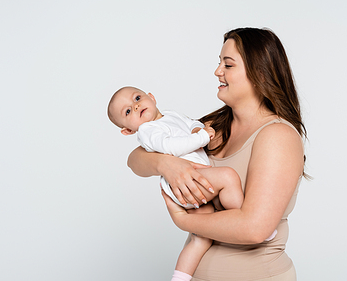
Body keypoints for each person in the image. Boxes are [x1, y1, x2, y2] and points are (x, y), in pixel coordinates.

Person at [127, 27, 307, 281]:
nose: (217, 71)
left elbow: (254, 229)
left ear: (260, 74)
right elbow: (135, 160)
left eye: (228, 64)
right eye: (219, 62)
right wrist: (164, 164)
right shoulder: (214, 126)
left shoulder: (277, 136)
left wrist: (183, 221)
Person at [107, 86, 276, 281]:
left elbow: (191, 123)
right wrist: (201, 137)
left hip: (193, 182)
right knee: (228, 177)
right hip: (185, 184)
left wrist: (197, 128)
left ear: (151, 97)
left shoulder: (169, 116)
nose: (135, 106)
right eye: (128, 111)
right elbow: (171, 147)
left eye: (137, 98)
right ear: (128, 130)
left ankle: (179, 277)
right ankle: (242, 214)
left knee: (201, 238)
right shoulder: (147, 130)